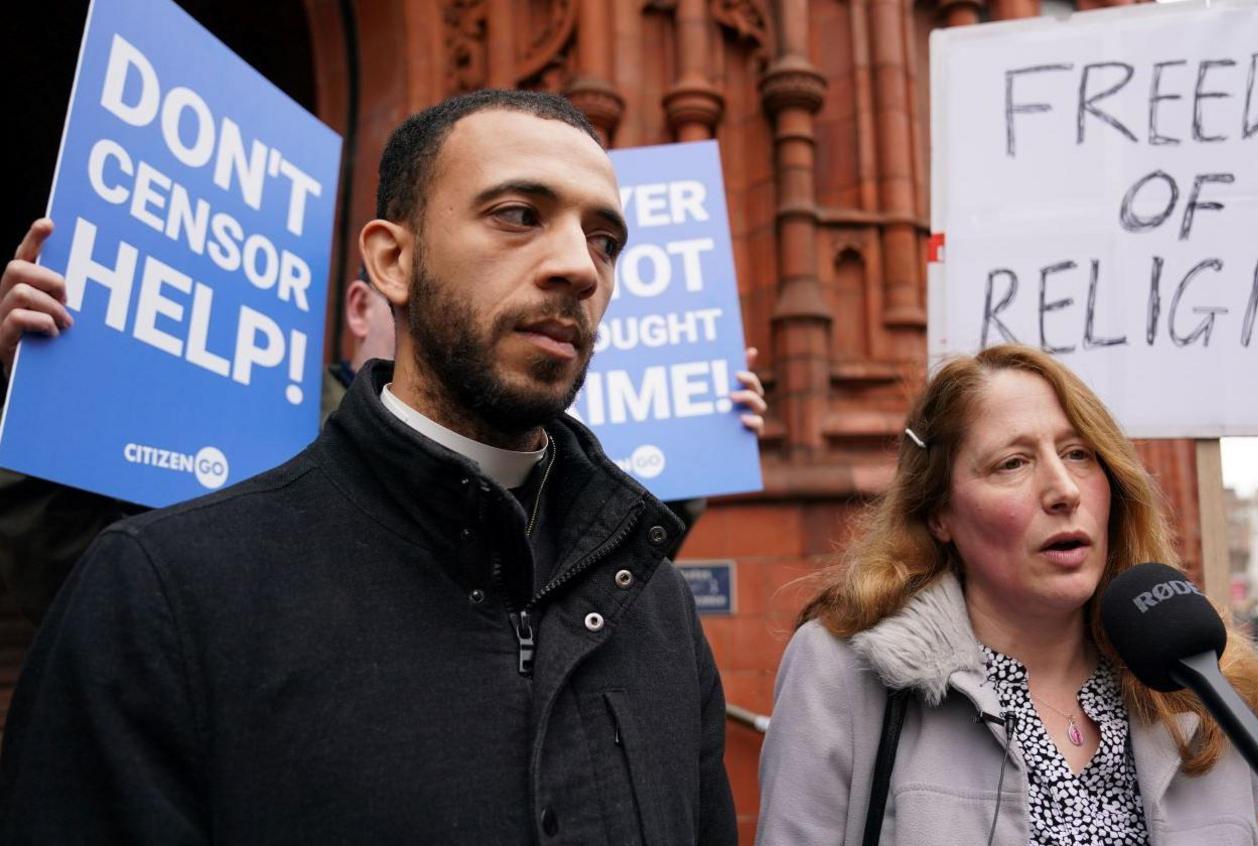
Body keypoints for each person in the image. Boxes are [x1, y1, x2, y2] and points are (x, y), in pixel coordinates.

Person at [0, 89, 739, 843]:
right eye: (519, 215)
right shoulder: (162, 589)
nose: (580, 267)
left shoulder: (660, 612)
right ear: (392, 260)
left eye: (606, 240)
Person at [0, 230, 764, 626]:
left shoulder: (517, 453)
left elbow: (585, 574)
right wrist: (27, 397)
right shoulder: (252, 445)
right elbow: (68, 568)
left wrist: (699, 443)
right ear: (369, 301)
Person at [756, 343, 1258, 845]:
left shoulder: (1200, 681)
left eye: (1079, 454)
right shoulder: (847, 675)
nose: (1064, 490)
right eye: (1013, 463)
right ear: (939, 513)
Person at [0, 221, 396, 624]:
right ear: (360, 308)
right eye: (403, 296)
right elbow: (77, 581)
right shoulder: (228, 427)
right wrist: (40, 402)